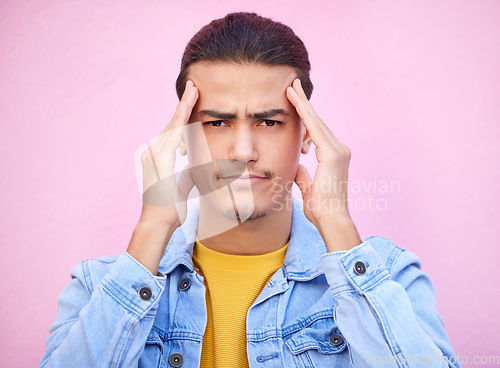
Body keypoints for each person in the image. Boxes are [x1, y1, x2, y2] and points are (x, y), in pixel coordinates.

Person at [39, 12, 460, 368]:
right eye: (217, 122)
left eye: (269, 122)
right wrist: (153, 224)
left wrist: (335, 222)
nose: (243, 151)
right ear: (182, 137)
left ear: (308, 135)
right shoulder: (99, 287)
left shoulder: (390, 277)